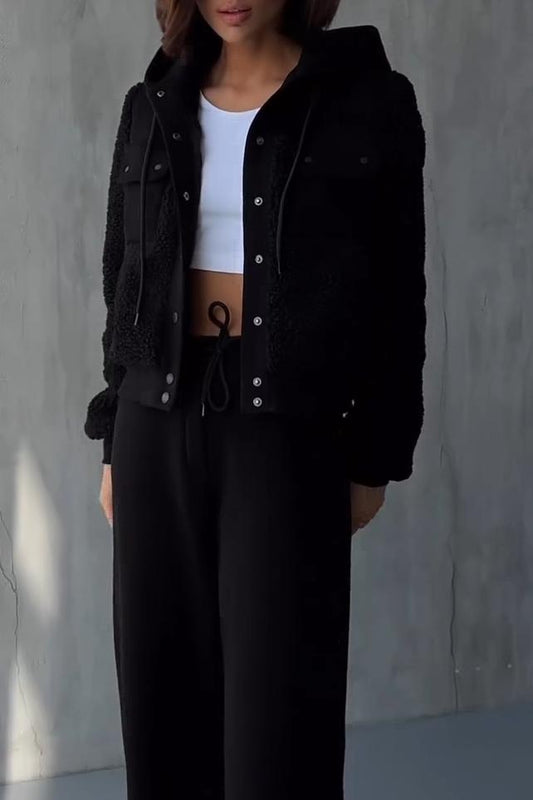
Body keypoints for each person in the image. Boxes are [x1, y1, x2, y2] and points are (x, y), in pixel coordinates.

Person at [83, 1, 427, 798]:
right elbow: (123, 278)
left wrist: (375, 454)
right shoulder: (152, 102)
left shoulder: (368, 102)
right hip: (154, 418)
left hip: (286, 430)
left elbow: (396, 293)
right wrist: (112, 437)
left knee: (279, 723)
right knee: (162, 711)